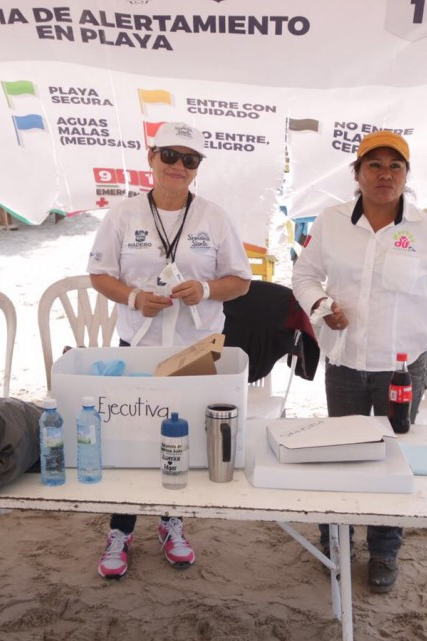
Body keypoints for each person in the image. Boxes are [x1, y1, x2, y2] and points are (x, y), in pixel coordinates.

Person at [291, 130, 427, 593]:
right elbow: (304, 275)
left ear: (406, 174)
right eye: (374, 165)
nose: (385, 175)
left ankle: (384, 549)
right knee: (339, 454)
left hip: (402, 368)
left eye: (395, 166)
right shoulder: (331, 221)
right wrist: (322, 307)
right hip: (343, 361)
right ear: (357, 173)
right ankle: (337, 539)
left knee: (392, 456)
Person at [87, 121, 252, 579]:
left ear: (198, 168)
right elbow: (99, 275)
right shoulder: (123, 215)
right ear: (152, 158)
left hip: (196, 348)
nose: (179, 166)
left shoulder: (215, 217)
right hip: (137, 345)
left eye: (190, 159)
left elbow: (240, 281)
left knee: (180, 437)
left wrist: (205, 287)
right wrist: (135, 298)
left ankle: (171, 521)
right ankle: (120, 529)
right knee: (131, 437)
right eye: (170, 156)